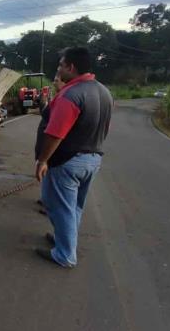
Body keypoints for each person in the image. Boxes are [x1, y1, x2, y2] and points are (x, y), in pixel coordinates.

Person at [34, 47, 113, 268]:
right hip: (93, 158)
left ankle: (65, 254)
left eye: (61, 65)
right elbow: (106, 127)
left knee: (56, 205)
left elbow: (55, 133)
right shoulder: (104, 91)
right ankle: (64, 240)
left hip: (68, 161)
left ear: (71, 67)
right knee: (75, 206)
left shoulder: (71, 94)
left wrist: (43, 160)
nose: (58, 69)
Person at [35, 72, 66, 215]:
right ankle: (47, 200)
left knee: (53, 177)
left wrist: (44, 159)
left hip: (53, 151)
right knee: (47, 175)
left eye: (57, 80)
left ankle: (51, 205)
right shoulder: (58, 98)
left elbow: (56, 130)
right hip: (44, 145)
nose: (54, 83)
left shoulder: (65, 100)